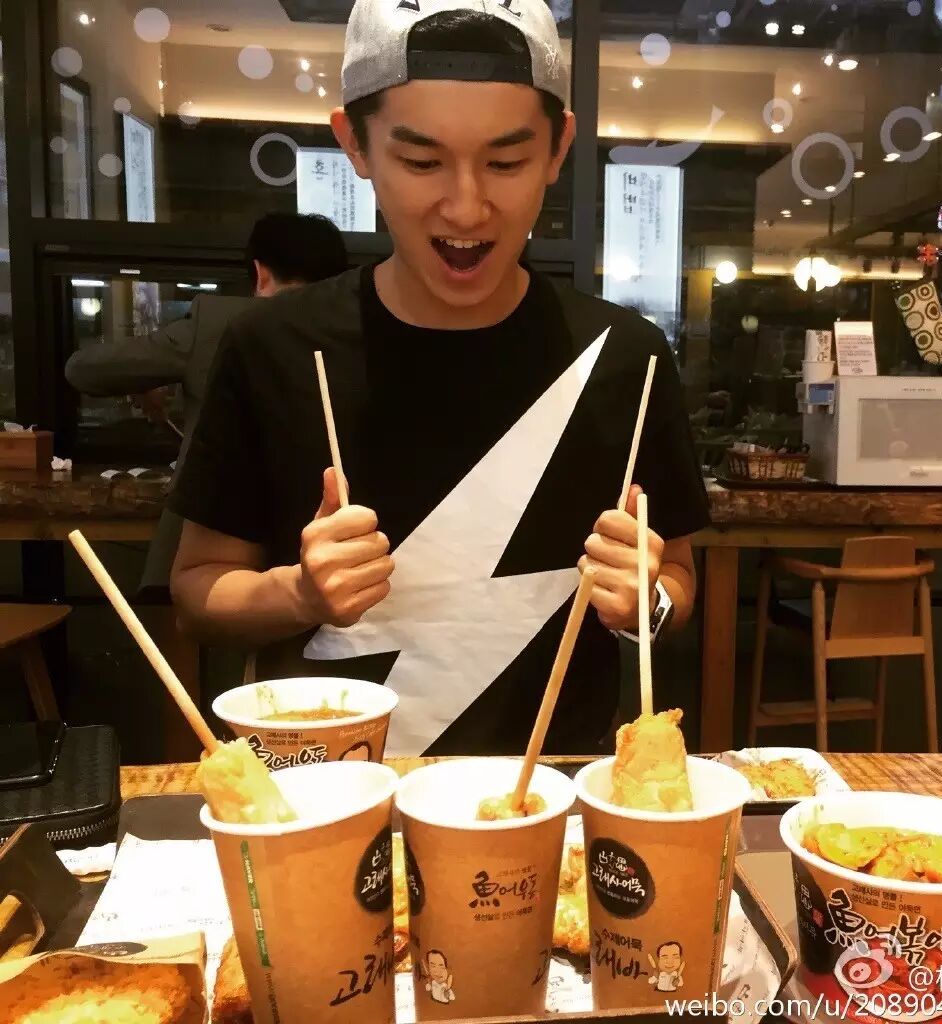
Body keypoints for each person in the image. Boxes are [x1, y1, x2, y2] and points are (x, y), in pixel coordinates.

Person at [168, 0, 710, 756]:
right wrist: (298, 592)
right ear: (354, 144)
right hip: (327, 794)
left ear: (559, 149)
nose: (466, 207)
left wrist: (645, 604)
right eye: (422, 162)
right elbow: (197, 589)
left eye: (506, 162)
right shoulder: (273, 346)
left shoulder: (626, 356)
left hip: (546, 798)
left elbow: (675, 574)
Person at [65, 213, 349, 593]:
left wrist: (145, 379)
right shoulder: (356, 331)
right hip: (336, 547)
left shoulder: (221, 323)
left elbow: (84, 370)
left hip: (210, 564)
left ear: (260, 273)